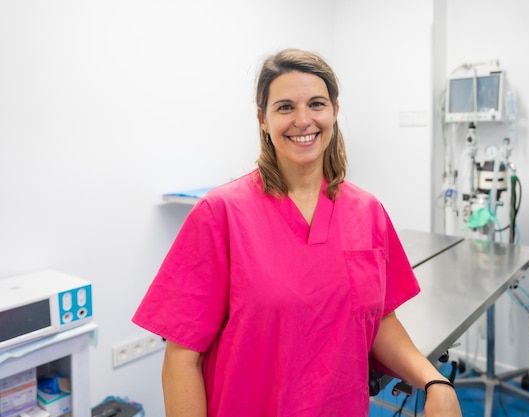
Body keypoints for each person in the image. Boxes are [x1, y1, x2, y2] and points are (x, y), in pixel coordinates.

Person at [132, 48, 462, 417]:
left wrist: (434, 381)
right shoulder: (221, 214)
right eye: (285, 107)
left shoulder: (366, 212)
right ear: (262, 119)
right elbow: (181, 358)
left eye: (316, 104)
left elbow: (380, 320)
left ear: (335, 111)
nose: (303, 120)